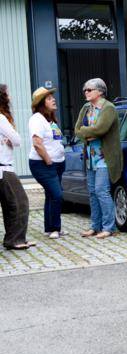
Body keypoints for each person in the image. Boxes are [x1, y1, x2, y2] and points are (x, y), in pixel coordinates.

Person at [74, 78, 123, 239]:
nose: (85, 92)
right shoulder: (86, 108)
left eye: (89, 89)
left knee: (102, 191)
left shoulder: (108, 108)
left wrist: (86, 132)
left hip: (104, 157)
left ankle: (109, 227)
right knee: (93, 192)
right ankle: (95, 226)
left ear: (100, 91)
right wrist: (88, 133)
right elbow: (77, 129)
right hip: (90, 158)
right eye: (84, 90)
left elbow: (100, 129)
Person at [28, 87, 66, 239]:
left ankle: (49, 228)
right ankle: (55, 228)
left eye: (52, 97)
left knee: (50, 195)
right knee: (57, 195)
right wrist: (49, 161)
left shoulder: (49, 119)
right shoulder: (37, 119)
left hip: (57, 163)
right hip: (43, 164)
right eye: (49, 98)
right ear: (42, 103)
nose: (54, 100)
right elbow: (37, 143)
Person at [0, 84, 33, 250]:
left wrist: (8, 140)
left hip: (3, 168)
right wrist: (10, 139)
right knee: (21, 203)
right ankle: (16, 239)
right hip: (4, 169)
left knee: (9, 204)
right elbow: (18, 140)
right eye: (8, 93)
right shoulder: (1, 118)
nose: (10, 96)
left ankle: (12, 239)